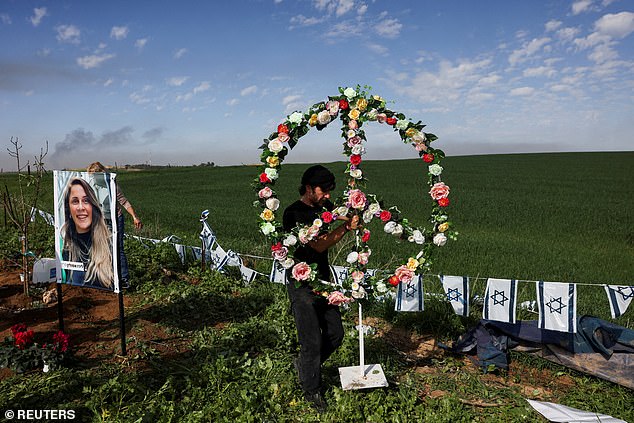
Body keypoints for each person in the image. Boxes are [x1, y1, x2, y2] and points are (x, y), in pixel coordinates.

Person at [282, 164, 360, 412]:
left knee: (336, 334)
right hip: (301, 283)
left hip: (324, 281)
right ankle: (311, 390)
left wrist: (354, 213)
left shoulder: (322, 207)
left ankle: (306, 367)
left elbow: (339, 213)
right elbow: (318, 245)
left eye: (329, 191)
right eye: (323, 190)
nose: (327, 195)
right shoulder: (293, 213)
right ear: (308, 188)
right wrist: (346, 228)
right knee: (311, 340)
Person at [86, 162, 142, 286]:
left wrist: (134, 217)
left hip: (115, 219)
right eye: (91, 176)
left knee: (117, 247)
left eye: (95, 175)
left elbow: (124, 202)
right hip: (100, 220)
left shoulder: (111, 185)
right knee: (102, 248)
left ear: (101, 174)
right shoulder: (92, 186)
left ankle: (124, 279)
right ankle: (107, 276)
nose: (93, 178)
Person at [61, 178, 114, 289]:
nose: (81, 207)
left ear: (93, 207)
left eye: (86, 201)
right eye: (75, 201)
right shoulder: (67, 248)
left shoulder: (110, 244)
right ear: (68, 209)